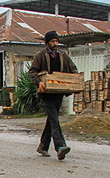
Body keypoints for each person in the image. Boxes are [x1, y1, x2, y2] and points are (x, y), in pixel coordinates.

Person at [28, 30, 78, 160]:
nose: (55, 44)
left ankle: (43, 146)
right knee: (54, 119)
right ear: (47, 43)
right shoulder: (41, 55)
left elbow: (74, 69)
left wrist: (72, 80)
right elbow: (32, 71)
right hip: (46, 93)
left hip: (59, 92)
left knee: (52, 119)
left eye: (56, 41)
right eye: (52, 41)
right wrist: (39, 82)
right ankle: (60, 147)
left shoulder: (63, 56)